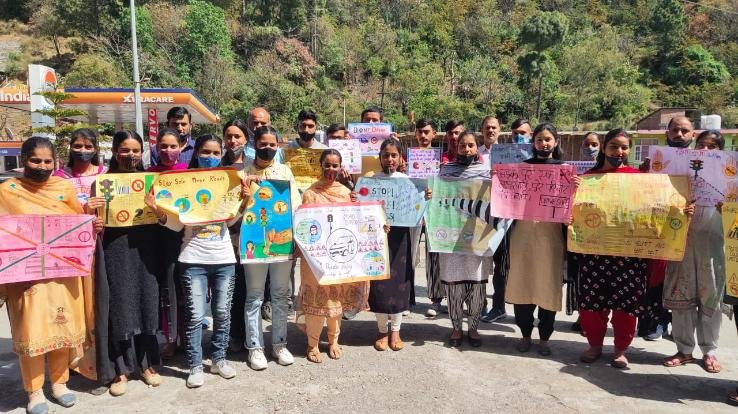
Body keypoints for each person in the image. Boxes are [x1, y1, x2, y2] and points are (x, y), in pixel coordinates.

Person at [0, 137, 100, 414]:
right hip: (26, 277)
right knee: (32, 333)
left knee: (62, 326)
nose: (42, 166)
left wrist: (92, 218)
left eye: (47, 161)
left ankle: (59, 384)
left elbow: (77, 224)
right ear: (23, 160)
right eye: (35, 160)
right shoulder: (8, 190)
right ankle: (34, 392)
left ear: (55, 162)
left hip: (63, 272)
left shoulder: (62, 187)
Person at [576, 128, 677, 368]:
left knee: (627, 306)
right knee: (592, 304)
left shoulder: (641, 179)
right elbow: (576, 213)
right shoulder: (588, 178)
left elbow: (658, 210)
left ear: (629, 150)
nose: (619, 152)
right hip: (595, 253)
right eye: (613, 147)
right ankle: (595, 345)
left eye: (624, 147)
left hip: (629, 255)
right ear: (603, 148)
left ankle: (621, 349)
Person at [145, 134, 239, 388]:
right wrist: (156, 211)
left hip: (224, 259)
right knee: (196, 315)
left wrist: (246, 199)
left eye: (215, 153)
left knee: (221, 312)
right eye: (205, 152)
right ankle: (195, 365)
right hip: (192, 259)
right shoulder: (183, 183)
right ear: (196, 152)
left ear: (222, 154)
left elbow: (229, 221)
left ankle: (219, 359)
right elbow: (176, 225)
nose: (210, 157)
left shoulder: (228, 182)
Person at [88, 131, 163, 396]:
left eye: (135, 150)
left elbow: (166, 219)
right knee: (120, 308)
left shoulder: (152, 181)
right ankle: (120, 369)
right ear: (115, 152)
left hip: (147, 251)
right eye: (124, 150)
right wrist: (92, 217)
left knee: (146, 305)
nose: (130, 155)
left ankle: (147, 365)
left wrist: (158, 209)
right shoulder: (101, 183)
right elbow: (91, 225)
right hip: (116, 250)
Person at [506, 123, 576, 356]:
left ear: (556, 142)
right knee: (522, 283)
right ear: (532, 142)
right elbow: (507, 199)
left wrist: (575, 188)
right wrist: (498, 178)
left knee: (548, 285)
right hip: (522, 237)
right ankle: (525, 334)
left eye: (548, 139)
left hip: (551, 238)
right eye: (539, 140)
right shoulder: (520, 169)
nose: (544, 144)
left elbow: (573, 207)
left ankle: (544, 338)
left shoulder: (566, 170)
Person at [296, 149, 370, 362]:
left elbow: (355, 223)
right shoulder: (310, 193)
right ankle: (312, 344)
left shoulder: (347, 193)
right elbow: (305, 226)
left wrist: (358, 207)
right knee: (316, 301)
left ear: (341, 167)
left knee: (335, 301)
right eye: (327, 165)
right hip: (316, 260)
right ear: (320, 166)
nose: (331, 169)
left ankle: (334, 341)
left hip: (339, 258)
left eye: (335, 165)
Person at [662, 129, 724, 374]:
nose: (706, 151)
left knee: (712, 300)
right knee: (681, 297)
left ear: (721, 151)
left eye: (713, 147)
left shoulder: (731, 180)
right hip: (682, 244)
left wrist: (726, 209)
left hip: (714, 249)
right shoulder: (682, 174)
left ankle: (710, 350)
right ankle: (684, 349)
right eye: (702, 146)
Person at [242, 126, 302, 370]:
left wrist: (296, 239)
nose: (267, 148)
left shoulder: (284, 171)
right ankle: (255, 347)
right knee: (255, 296)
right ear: (254, 144)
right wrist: (245, 193)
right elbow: (236, 211)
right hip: (254, 243)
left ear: (278, 146)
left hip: (282, 242)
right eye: (262, 143)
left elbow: (295, 205)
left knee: (279, 295)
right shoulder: (243, 172)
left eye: (272, 144)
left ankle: (279, 344)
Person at [367, 138, 431, 351]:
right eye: (386, 155)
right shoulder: (371, 180)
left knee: (399, 285)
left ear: (401, 158)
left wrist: (425, 197)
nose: (390, 159)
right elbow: (363, 209)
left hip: (401, 238)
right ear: (380, 158)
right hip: (377, 239)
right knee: (379, 285)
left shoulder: (407, 180)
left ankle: (395, 330)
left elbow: (416, 207)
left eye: (394, 155)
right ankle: (381, 331)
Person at [639, 116, 696, 341]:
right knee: (658, 277)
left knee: (686, 279)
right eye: (675, 130)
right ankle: (657, 321)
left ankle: (682, 331)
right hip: (661, 227)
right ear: (667, 134)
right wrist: (644, 173)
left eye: (685, 131)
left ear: (693, 134)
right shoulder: (657, 160)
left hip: (695, 227)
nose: (679, 135)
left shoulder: (704, 161)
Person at [439, 131, 490, 347]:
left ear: (478, 147)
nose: (467, 149)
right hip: (450, 239)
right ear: (456, 147)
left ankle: (474, 327)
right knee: (453, 285)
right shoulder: (445, 172)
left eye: (471, 145)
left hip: (479, 237)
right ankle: (456, 327)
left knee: (477, 284)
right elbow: (438, 200)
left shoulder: (487, 173)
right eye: (463, 146)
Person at [146, 128, 189, 359]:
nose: (168, 151)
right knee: (167, 293)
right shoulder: (148, 175)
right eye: (163, 146)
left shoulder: (188, 173)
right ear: (156, 148)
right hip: (157, 240)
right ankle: (171, 339)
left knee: (183, 292)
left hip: (182, 240)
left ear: (181, 148)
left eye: (173, 146)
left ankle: (186, 336)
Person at [53, 128, 107, 207]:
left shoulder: (105, 174)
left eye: (88, 147)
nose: (82, 150)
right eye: (77, 146)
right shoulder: (60, 177)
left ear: (95, 150)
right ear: (70, 148)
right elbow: (57, 204)